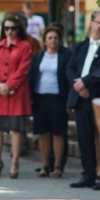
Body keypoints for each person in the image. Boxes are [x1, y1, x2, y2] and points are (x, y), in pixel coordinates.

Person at [66, 10, 100, 189]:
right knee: (84, 139)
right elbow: (69, 67)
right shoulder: (81, 46)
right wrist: (77, 85)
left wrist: (85, 83)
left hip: (98, 97)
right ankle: (88, 175)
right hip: (80, 98)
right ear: (91, 24)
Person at [0, 15, 32, 179]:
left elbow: (23, 69)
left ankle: (14, 163)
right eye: (7, 28)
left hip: (16, 92)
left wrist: (9, 85)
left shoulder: (25, 46)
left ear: (19, 30)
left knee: (16, 129)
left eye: (13, 28)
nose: (10, 31)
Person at [29, 26, 72, 178]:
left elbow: (69, 79)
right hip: (40, 97)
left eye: (56, 38)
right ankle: (45, 165)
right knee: (43, 132)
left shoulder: (66, 56)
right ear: (45, 41)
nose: (53, 41)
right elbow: (32, 76)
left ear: (60, 40)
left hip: (58, 98)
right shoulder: (39, 56)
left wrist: (69, 101)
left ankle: (58, 166)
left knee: (58, 132)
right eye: (50, 38)